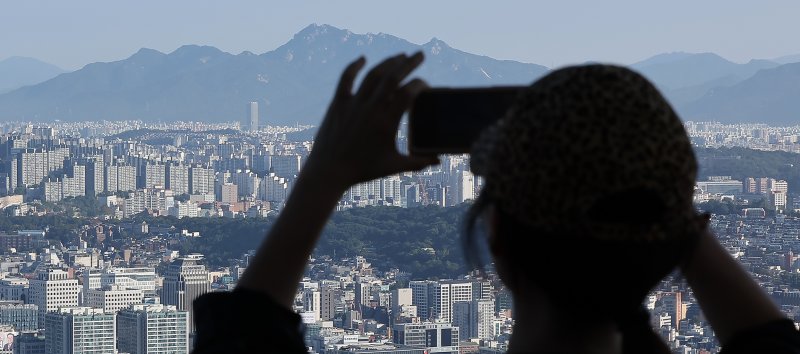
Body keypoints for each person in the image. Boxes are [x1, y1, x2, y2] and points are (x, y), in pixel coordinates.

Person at [193, 53, 800, 353]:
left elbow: (245, 340)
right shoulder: (666, 239)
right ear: (669, 241)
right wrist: (652, 194)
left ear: (497, 241)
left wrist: (321, 178)